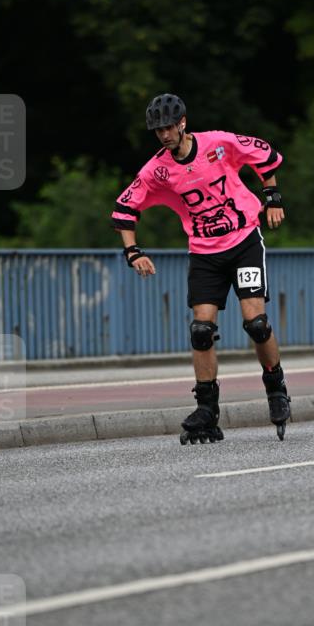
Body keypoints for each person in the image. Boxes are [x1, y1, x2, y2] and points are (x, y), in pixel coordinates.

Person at [111, 92, 291, 443]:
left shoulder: (218, 144)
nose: (163, 135)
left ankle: (276, 386)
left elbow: (266, 155)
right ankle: (207, 410)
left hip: (243, 244)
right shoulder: (157, 171)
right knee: (201, 331)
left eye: (168, 128)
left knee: (256, 323)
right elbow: (124, 210)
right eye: (157, 130)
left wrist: (272, 198)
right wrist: (133, 252)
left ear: (182, 123)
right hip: (205, 255)